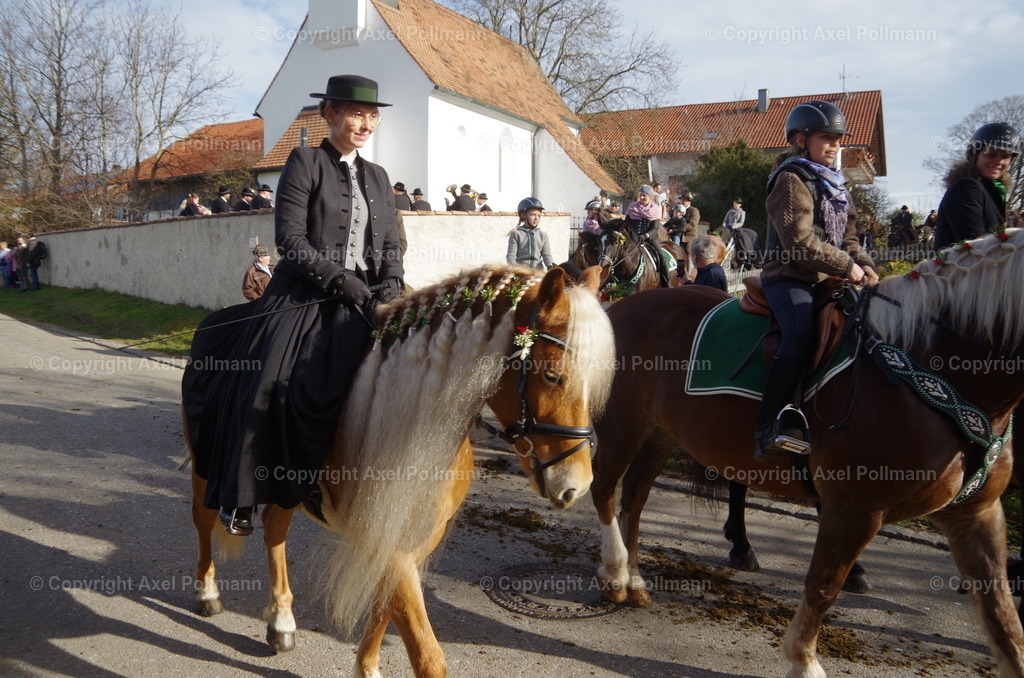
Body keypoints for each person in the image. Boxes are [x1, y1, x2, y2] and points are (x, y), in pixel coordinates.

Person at [184, 74, 404, 536]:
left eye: (372, 116)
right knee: (266, 378)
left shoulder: (380, 177)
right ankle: (241, 495)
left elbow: (392, 241)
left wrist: (391, 282)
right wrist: (337, 278)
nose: (366, 124)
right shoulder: (304, 161)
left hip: (369, 296)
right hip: (305, 292)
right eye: (356, 114)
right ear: (330, 114)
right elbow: (290, 239)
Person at [754, 99, 877, 462]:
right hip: (789, 277)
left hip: (830, 277)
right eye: (826, 137)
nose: (835, 145)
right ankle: (770, 427)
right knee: (800, 334)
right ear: (800, 139)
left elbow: (849, 237)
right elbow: (799, 241)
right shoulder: (791, 179)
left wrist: (864, 264)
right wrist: (846, 265)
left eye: (838, 139)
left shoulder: (837, 184)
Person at [933, 122, 1020, 249]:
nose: (998, 162)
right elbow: (975, 245)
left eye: (1005, 156)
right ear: (973, 155)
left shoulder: (992, 191)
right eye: (991, 154)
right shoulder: (966, 187)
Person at [625, 185, 672, 286]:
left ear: (650, 197)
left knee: (661, 257)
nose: (642, 197)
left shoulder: (656, 208)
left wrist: (645, 236)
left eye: (644, 196)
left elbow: (655, 228)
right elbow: (626, 223)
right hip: (633, 237)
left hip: (649, 238)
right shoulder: (633, 206)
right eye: (641, 195)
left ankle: (667, 282)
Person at [506, 197, 554, 269]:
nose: (536, 218)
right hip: (521, 271)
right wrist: (517, 269)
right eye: (532, 214)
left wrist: (551, 265)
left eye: (539, 215)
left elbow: (546, 255)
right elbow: (510, 256)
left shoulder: (543, 235)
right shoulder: (516, 234)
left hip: (538, 271)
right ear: (523, 215)